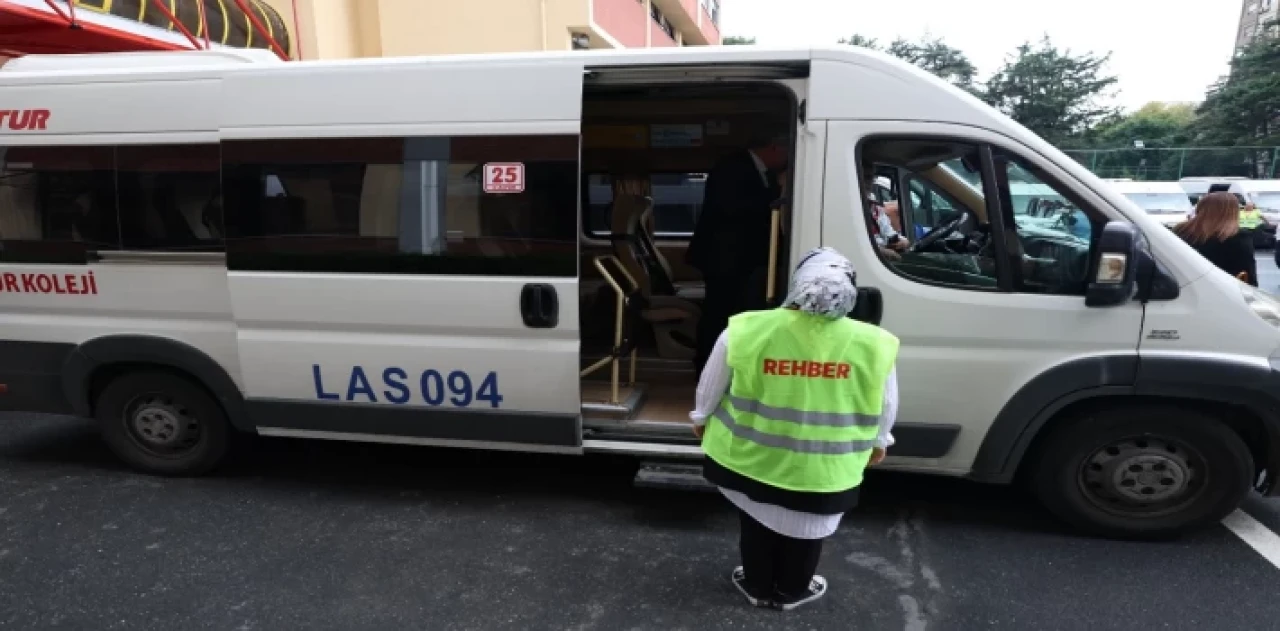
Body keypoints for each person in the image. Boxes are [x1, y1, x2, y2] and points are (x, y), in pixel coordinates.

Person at [690, 247, 899, 611]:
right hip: (825, 469)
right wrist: (881, 441)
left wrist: (701, 418)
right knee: (807, 531)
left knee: (755, 521)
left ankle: (757, 586)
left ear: (796, 286)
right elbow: (886, 402)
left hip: (751, 458)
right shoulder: (874, 343)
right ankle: (790, 590)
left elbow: (711, 384)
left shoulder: (746, 327)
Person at [686, 133, 790, 376]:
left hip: (737, 257)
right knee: (718, 312)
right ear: (773, 147)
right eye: (785, 153)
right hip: (724, 257)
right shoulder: (733, 167)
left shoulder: (753, 169)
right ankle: (706, 366)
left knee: (731, 310)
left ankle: (723, 365)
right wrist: (777, 193)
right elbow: (734, 208)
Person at [1175, 192, 1257, 286]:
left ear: (1200, 209)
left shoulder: (1181, 231)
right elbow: (1248, 274)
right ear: (1233, 212)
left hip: (1184, 287)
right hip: (1223, 290)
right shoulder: (1239, 237)